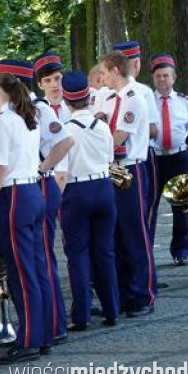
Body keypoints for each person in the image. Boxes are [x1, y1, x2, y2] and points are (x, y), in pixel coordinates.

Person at [54, 71, 119, 331]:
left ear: (67, 101)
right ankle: (112, 309)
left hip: (76, 192)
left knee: (77, 254)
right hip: (103, 187)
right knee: (105, 251)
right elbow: (109, 159)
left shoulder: (65, 131)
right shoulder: (102, 126)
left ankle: (81, 316)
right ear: (88, 98)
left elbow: (61, 173)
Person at [98, 51, 157, 317]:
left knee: (135, 232)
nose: (101, 77)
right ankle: (124, 292)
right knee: (117, 233)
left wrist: (92, 141)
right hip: (113, 169)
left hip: (131, 169)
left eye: (104, 72)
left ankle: (143, 294)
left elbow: (119, 137)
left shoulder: (134, 99)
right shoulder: (111, 99)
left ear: (115, 71)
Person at [0, 67, 47, 363]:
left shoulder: (4, 120)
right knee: (35, 268)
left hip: (13, 194)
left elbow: (1, 167)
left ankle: (28, 339)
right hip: (31, 192)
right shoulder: (25, 117)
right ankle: (39, 335)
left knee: (21, 271)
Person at [31, 52, 73, 346]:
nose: (56, 84)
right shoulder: (39, 107)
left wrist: (41, 170)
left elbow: (66, 143)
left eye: (58, 78)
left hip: (51, 184)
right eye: (50, 80)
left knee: (46, 256)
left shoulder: (44, 110)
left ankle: (56, 323)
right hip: (49, 184)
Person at [147, 54, 188, 264]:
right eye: (158, 76)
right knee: (150, 206)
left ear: (174, 78)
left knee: (180, 207)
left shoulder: (184, 102)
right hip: (154, 159)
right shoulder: (145, 100)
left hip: (179, 157)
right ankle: (146, 252)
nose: (162, 80)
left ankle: (180, 252)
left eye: (166, 76)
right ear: (153, 78)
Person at [113, 42, 159, 237]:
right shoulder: (140, 91)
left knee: (130, 212)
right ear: (136, 63)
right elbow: (153, 129)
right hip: (126, 159)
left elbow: (152, 129)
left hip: (125, 157)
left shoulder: (139, 92)